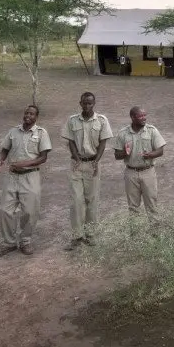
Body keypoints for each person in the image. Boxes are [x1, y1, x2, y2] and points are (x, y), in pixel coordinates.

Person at [0, 105, 52, 257]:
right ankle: (9, 242)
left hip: (30, 176)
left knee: (29, 211)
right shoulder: (13, 131)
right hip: (12, 176)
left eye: (31, 114)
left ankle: (25, 241)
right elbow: (5, 148)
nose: (28, 116)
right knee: (6, 210)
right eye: (26, 113)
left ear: (36, 117)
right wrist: (1, 159)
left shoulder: (41, 133)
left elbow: (43, 157)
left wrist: (24, 164)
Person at [61, 92, 112, 249]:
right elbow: (70, 141)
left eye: (90, 103)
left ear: (94, 103)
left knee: (92, 200)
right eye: (84, 103)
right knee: (76, 201)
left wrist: (96, 160)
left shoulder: (102, 120)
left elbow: (103, 142)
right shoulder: (72, 120)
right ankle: (76, 236)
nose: (87, 106)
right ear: (80, 103)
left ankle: (90, 234)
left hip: (93, 165)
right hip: (76, 165)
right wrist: (76, 158)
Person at [113, 106, 166, 220]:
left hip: (148, 172)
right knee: (133, 208)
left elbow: (160, 150)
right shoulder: (123, 133)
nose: (144, 118)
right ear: (132, 117)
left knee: (152, 205)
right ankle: (135, 235)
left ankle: (155, 234)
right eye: (141, 116)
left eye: (145, 115)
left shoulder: (152, 130)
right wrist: (125, 153)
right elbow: (116, 155)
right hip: (131, 173)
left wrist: (150, 155)